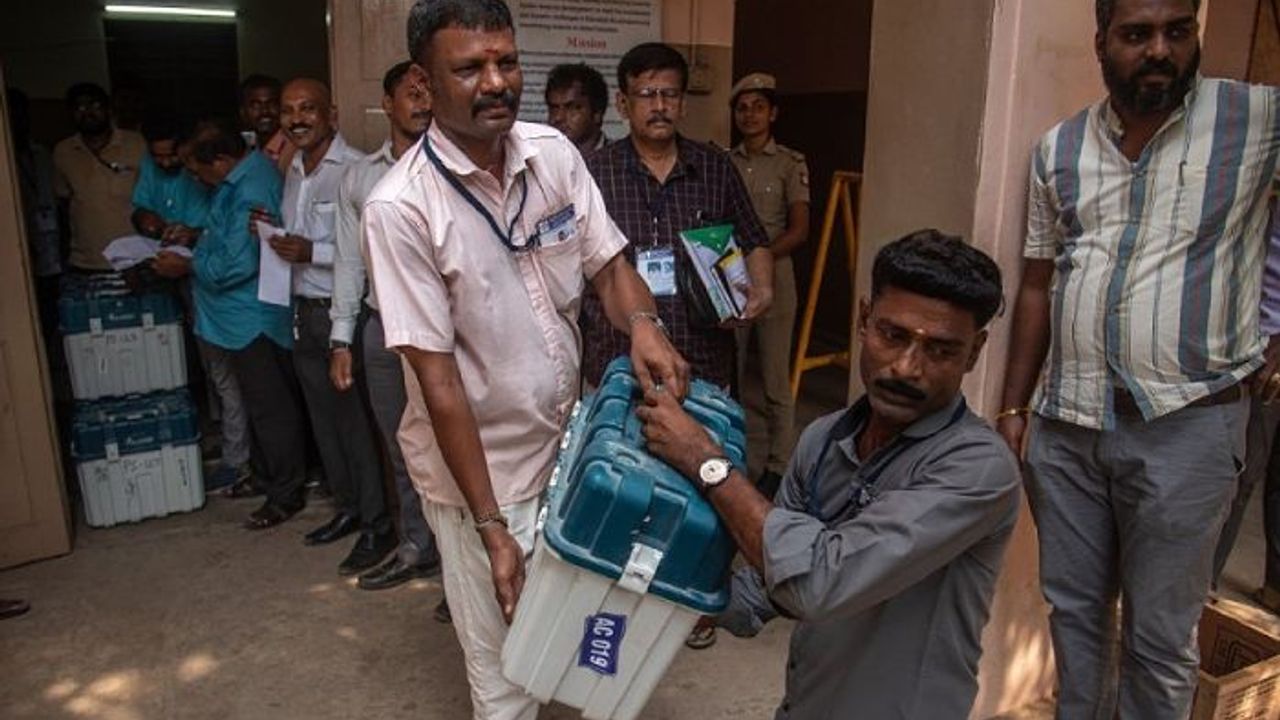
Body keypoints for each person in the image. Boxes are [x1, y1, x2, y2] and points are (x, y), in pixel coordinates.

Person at [362, 2, 688, 717]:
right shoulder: (401, 209)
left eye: (505, 62)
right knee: (507, 674)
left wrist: (643, 325)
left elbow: (609, 265)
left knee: (578, 636)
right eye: (469, 68)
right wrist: (491, 529)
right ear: (423, 82)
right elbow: (439, 383)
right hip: (486, 477)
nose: (495, 82)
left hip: (570, 448)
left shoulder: (552, 155)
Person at [997, 1, 1280, 716]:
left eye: (1177, 31)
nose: (1159, 49)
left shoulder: (1255, 120)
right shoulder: (1058, 149)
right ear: (1102, 44)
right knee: (1076, 619)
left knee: (1158, 640)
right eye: (1136, 34)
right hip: (1068, 425)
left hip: (1190, 425)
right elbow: (1037, 282)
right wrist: (1013, 406)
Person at [638, 230, 1019, 719]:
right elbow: (767, 585)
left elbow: (817, 582)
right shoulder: (823, 440)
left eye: (941, 351)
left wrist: (705, 462)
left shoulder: (979, 469)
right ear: (863, 320)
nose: (907, 368)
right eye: (893, 335)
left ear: (974, 352)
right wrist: (673, 600)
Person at [581, 42, 774, 395]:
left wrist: (762, 289)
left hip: (703, 365)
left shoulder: (715, 169)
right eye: (647, 95)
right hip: (617, 366)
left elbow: (754, 239)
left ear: (683, 104)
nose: (659, 106)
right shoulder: (592, 173)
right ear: (623, 104)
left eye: (669, 95)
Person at [256, 78, 391, 575]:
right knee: (325, 423)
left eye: (307, 109)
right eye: (288, 111)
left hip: (341, 315)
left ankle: (378, 525)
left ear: (330, 114)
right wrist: (273, 235)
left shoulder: (354, 169)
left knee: (355, 425)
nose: (297, 119)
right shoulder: (292, 168)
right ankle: (348, 508)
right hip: (301, 311)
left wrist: (311, 251)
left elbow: (369, 251)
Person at [152, 118, 309, 530]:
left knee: (271, 409)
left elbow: (237, 263)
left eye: (196, 170)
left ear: (221, 161)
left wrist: (189, 266)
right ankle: (266, 475)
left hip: (252, 318)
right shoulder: (239, 180)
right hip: (237, 319)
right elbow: (227, 242)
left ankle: (285, 494)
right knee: (257, 405)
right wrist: (198, 240)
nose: (194, 178)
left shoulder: (251, 189)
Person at [329, 61, 443, 594]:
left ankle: (464, 568)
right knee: (403, 446)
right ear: (387, 103)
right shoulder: (360, 178)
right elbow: (348, 263)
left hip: (443, 333)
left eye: (429, 93)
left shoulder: (453, 167)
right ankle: (419, 546)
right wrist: (340, 337)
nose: (422, 102)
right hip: (382, 330)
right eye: (411, 93)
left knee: (457, 446)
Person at [131, 116, 253, 493]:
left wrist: (192, 243)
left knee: (227, 376)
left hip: (220, 291)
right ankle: (229, 441)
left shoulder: (236, 185)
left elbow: (235, 255)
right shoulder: (164, 169)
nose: (172, 165)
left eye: (178, 158)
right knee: (212, 371)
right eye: (160, 158)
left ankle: (238, 458)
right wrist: (150, 223)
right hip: (198, 283)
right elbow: (140, 207)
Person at [728, 72, 810, 498]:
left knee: (776, 379)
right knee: (732, 371)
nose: (750, 115)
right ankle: (733, 454)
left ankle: (779, 465)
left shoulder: (790, 164)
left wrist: (758, 257)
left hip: (775, 275)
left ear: (773, 113)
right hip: (731, 277)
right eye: (742, 108)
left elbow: (799, 230)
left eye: (758, 107)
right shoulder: (726, 161)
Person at [1213, 200, 1280, 614]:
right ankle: (1199, 590)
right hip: (1250, 339)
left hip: (1267, 340)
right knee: (1238, 467)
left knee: (1246, 466)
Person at [53, 82, 146, 273]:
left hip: (137, 258)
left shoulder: (137, 143)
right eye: (80, 108)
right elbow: (63, 202)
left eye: (95, 106)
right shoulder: (63, 151)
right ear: (70, 113)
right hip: (86, 261)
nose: (88, 113)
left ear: (109, 108)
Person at [7, 88, 62, 361]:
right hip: (17, 253)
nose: (17, 120)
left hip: (49, 243)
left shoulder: (42, 154)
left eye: (21, 113)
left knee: (52, 310)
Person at [544, 62, 609, 156]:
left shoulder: (620, 160)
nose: (558, 117)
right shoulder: (538, 159)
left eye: (571, 108)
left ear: (597, 114)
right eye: (554, 108)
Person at [239, 74, 295, 174]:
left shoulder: (292, 148)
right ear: (243, 113)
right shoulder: (247, 147)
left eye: (272, 104)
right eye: (256, 105)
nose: (265, 111)